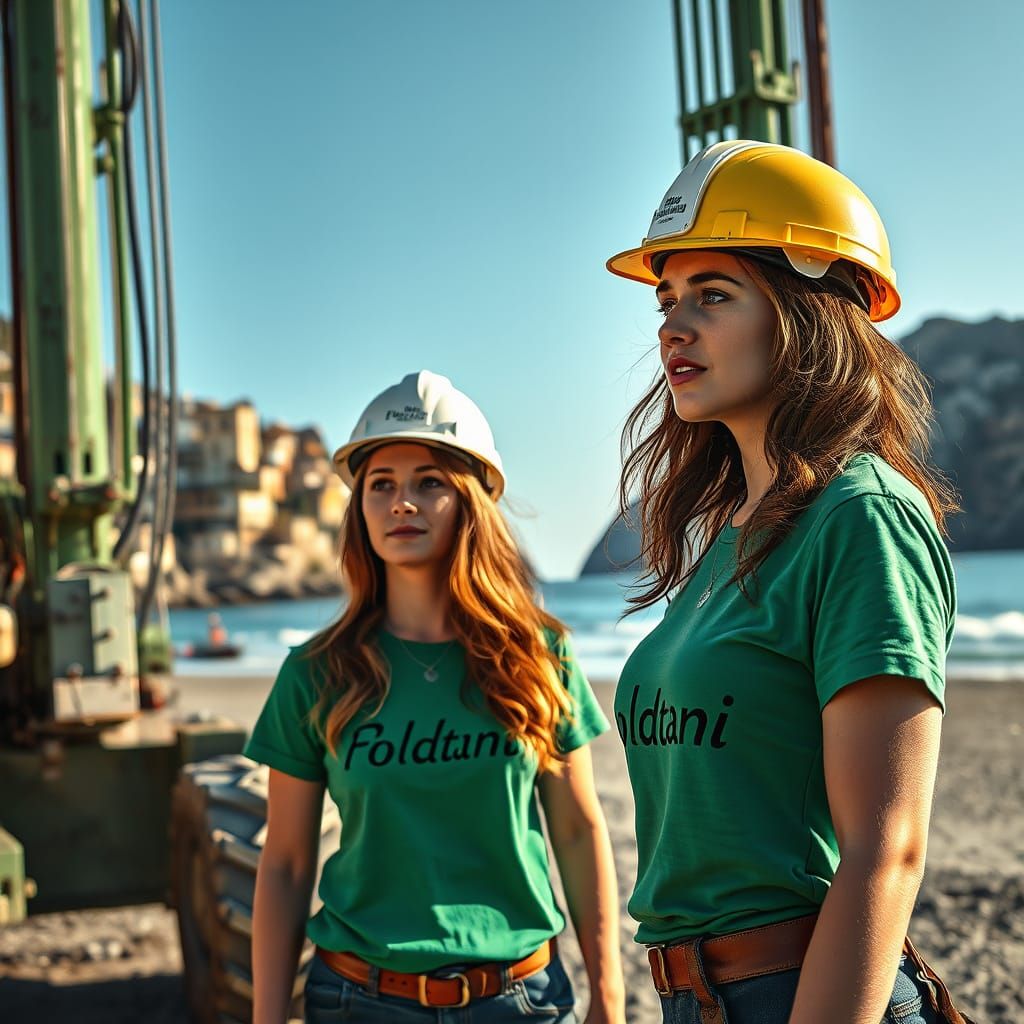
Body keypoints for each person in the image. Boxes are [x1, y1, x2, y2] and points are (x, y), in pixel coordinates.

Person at [605, 141, 971, 1024]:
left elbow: (887, 850)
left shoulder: (862, 516)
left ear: (807, 313)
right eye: (666, 299)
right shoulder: (731, 535)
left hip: (798, 991)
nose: (673, 327)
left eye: (712, 295)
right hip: (699, 998)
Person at [245, 370, 625, 1024]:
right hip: (358, 1001)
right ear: (360, 507)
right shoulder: (316, 673)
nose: (402, 503)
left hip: (522, 1000)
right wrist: (267, 1016)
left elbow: (577, 829)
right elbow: (285, 863)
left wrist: (609, 997)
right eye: (381, 485)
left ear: (470, 501)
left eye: (429, 482)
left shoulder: (538, 657)